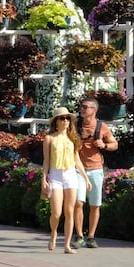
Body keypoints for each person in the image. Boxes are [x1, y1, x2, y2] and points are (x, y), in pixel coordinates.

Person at [41, 106, 91, 254]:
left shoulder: (73, 138)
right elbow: (46, 160)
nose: (65, 121)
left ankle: (67, 245)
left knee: (69, 211)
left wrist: (85, 178)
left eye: (67, 118)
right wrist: (44, 178)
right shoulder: (49, 138)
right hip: (56, 175)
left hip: (70, 175)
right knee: (56, 213)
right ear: (56, 121)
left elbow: (77, 159)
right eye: (62, 118)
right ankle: (54, 233)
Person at [73, 97, 118, 249]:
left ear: (94, 110)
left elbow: (114, 144)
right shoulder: (75, 125)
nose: (82, 109)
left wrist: (104, 145)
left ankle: (91, 237)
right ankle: (79, 236)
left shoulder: (101, 126)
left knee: (95, 205)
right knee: (78, 202)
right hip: (78, 169)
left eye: (86, 107)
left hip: (96, 169)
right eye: (82, 106)